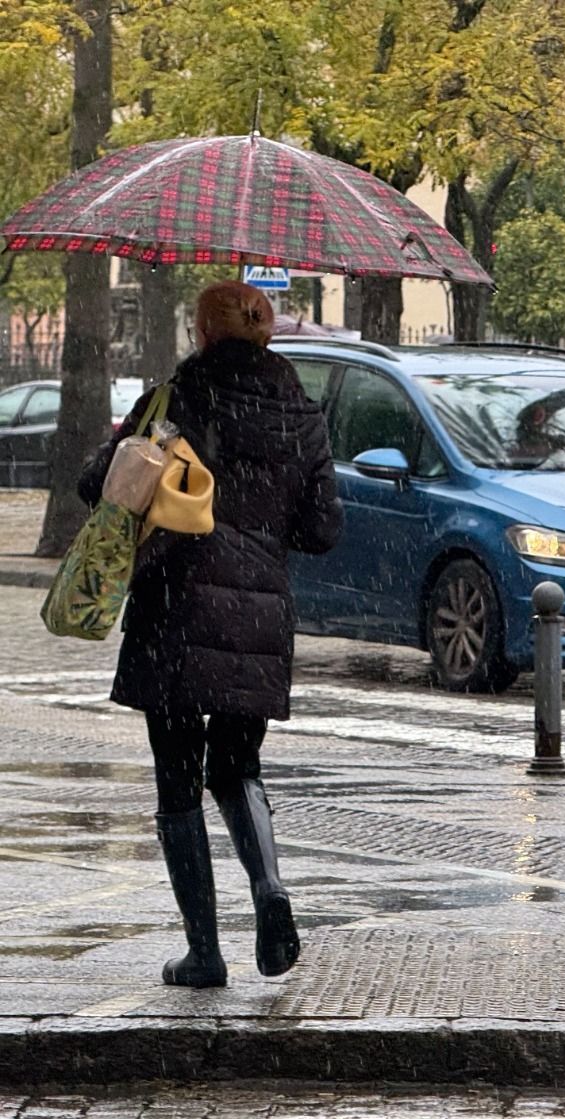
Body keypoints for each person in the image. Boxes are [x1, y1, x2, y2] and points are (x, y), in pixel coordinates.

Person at [79, 280, 342, 989]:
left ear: (203, 330)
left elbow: (101, 482)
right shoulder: (303, 412)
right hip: (259, 612)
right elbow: (322, 529)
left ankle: (205, 950)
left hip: (176, 603)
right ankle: (272, 893)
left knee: (178, 780)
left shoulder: (180, 398)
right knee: (236, 768)